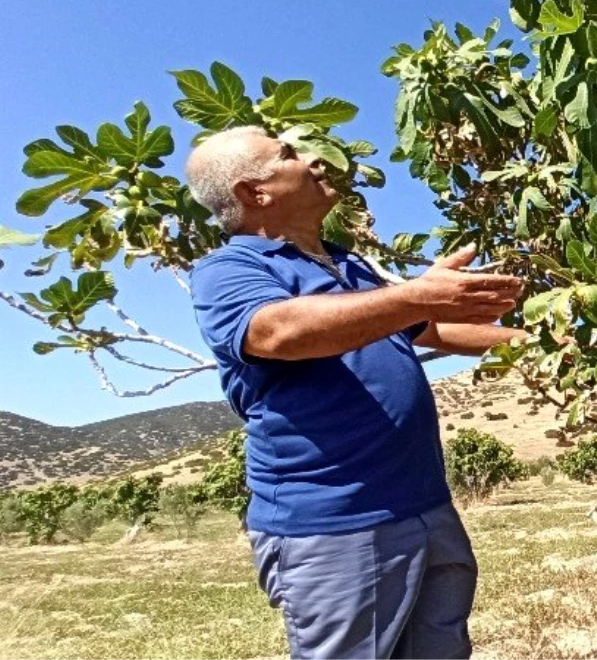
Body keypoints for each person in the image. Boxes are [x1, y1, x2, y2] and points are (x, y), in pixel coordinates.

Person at [185, 125, 525, 659]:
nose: (315, 161)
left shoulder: (347, 265)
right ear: (256, 193)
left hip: (424, 504)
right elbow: (277, 331)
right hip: (335, 524)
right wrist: (416, 295)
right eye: (290, 155)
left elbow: (429, 330)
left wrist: (539, 345)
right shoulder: (228, 269)